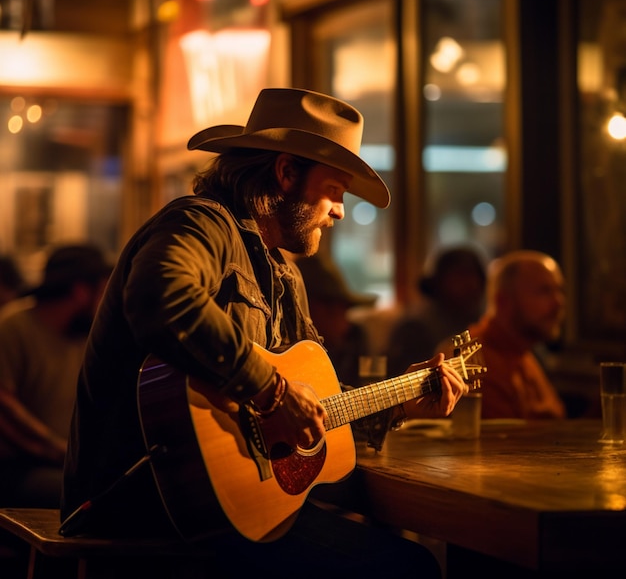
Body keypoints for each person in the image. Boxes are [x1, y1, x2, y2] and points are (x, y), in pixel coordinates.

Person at [60, 88, 468, 578]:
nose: (339, 211)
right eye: (335, 190)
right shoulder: (200, 224)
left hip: (225, 512)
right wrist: (270, 389)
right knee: (410, 566)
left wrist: (400, 403)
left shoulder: (284, 275)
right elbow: (159, 297)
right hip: (146, 508)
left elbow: (314, 408)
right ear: (286, 173)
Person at [0, 243, 112, 508]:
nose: (107, 302)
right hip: (17, 466)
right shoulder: (13, 328)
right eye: (104, 292)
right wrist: (62, 452)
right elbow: (4, 409)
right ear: (81, 291)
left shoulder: (88, 337)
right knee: (91, 499)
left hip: (68, 463)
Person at [439, 249, 567, 420]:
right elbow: (507, 442)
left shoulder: (523, 350)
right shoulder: (472, 361)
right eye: (544, 291)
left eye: (559, 290)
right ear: (503, 302)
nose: (559, 302)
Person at [386, 245, 487, 377]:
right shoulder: (415, 328)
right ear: (440, 281)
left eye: (476, 276)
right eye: (462, 275)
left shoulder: (480, 323)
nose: (472, 284)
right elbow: (400, 381)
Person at [294, 253, 377, 388]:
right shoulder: (295, 350)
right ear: (315, 308)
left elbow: (366, 385)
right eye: (340, 310)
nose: (345, 321)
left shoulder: (354, 337)